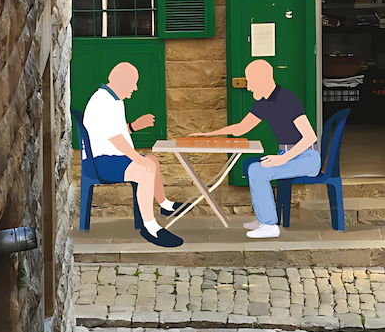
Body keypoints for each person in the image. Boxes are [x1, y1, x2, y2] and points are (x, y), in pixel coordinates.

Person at [190, 59, 320, 239]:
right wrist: (209, 135)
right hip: (288, 155)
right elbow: (241, 128)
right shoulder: (264, 102)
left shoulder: (287, 99)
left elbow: (310, 137)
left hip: (307, 158)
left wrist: (283, 159)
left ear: (262, 79)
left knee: (257, 171)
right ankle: (262, 219)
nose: (248, 87)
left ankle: (269, 225)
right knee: (251, 165)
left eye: (249, 82)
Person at [83, 61, 186, 248]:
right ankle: (150, 227)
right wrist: (137, 158)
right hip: (102, 162)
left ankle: (165, 205)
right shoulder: (102, 101)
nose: (136, 88)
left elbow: (113, 133)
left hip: (112, 157)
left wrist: (134, 126)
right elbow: (115, 139)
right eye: (134, 83)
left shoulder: (114, 100)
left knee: (152, 161)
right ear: (122, 81)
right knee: (145, 169)